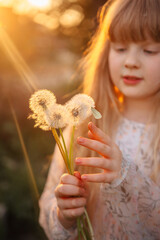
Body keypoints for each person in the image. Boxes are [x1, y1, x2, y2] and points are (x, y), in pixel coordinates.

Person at [39, 0, 160, 239]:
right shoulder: (82, 128)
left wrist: (127, 177)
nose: (131, 62)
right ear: (106, 52)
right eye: (120, 48)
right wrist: (65, 216)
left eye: (149, 51)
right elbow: (46, 211)